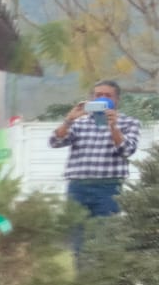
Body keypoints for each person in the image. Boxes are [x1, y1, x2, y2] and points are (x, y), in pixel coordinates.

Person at [49, 79, 142, 256]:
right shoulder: (79, 123)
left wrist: (113, 126)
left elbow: (127, 150)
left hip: (109, 188)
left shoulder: (130, 123)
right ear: (91, 99)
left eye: (108, 96)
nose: (103, 99)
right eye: (98, 95)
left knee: (106, 239)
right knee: (78, 240)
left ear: (117, 100)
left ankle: (104, 282)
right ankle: (82, 282)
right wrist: (69, 119)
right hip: (78, 188)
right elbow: (54, 141)